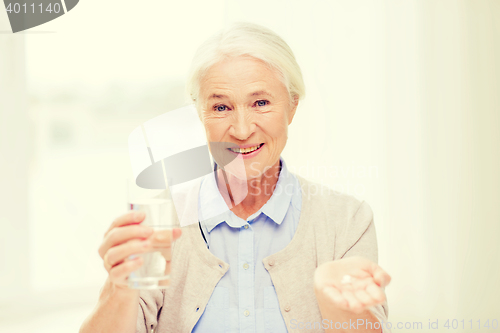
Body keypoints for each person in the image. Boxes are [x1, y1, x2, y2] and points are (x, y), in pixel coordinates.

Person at [80, 22, 392, 333]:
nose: (241, 131)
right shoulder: (159, 222)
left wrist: (337, 304)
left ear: (293, 106)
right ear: (200, 114)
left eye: (261, 103)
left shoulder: (347, 220)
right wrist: (119, 289)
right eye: (220, 106)